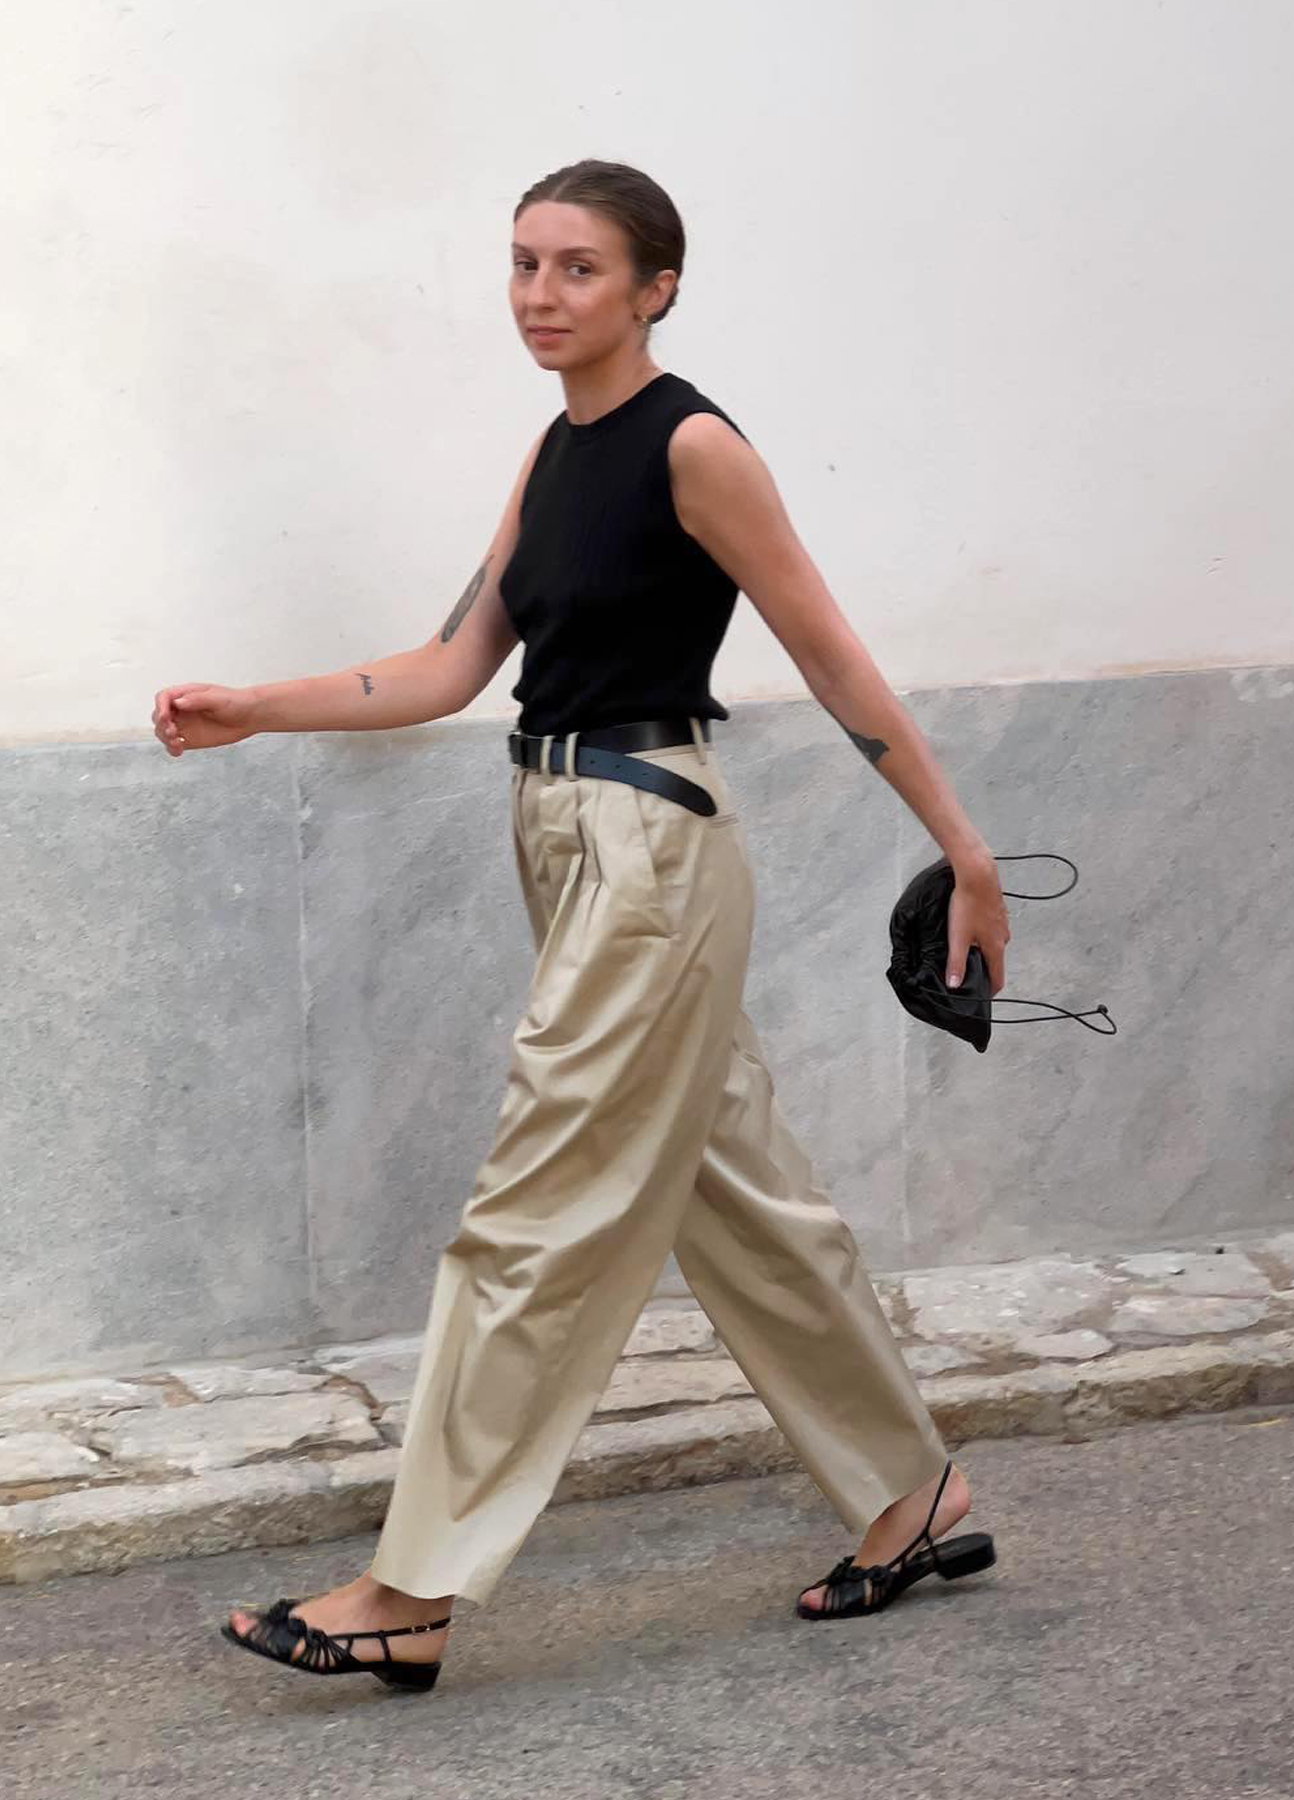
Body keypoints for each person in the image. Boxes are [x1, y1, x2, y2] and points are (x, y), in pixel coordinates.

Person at [152, 159, 1008, 1692]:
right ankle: (915, 1496)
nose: (540, 296)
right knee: (738, 1194)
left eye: (580, 270)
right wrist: (253, 709)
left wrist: (965, 848)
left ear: (656, 287)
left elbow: (829, 651)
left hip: (650, 847)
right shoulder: (553, 452)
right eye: (524, 264)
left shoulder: (695, 449)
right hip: (563, 836)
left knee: (529, 1214)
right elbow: (448, 663)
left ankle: (413, 1586)